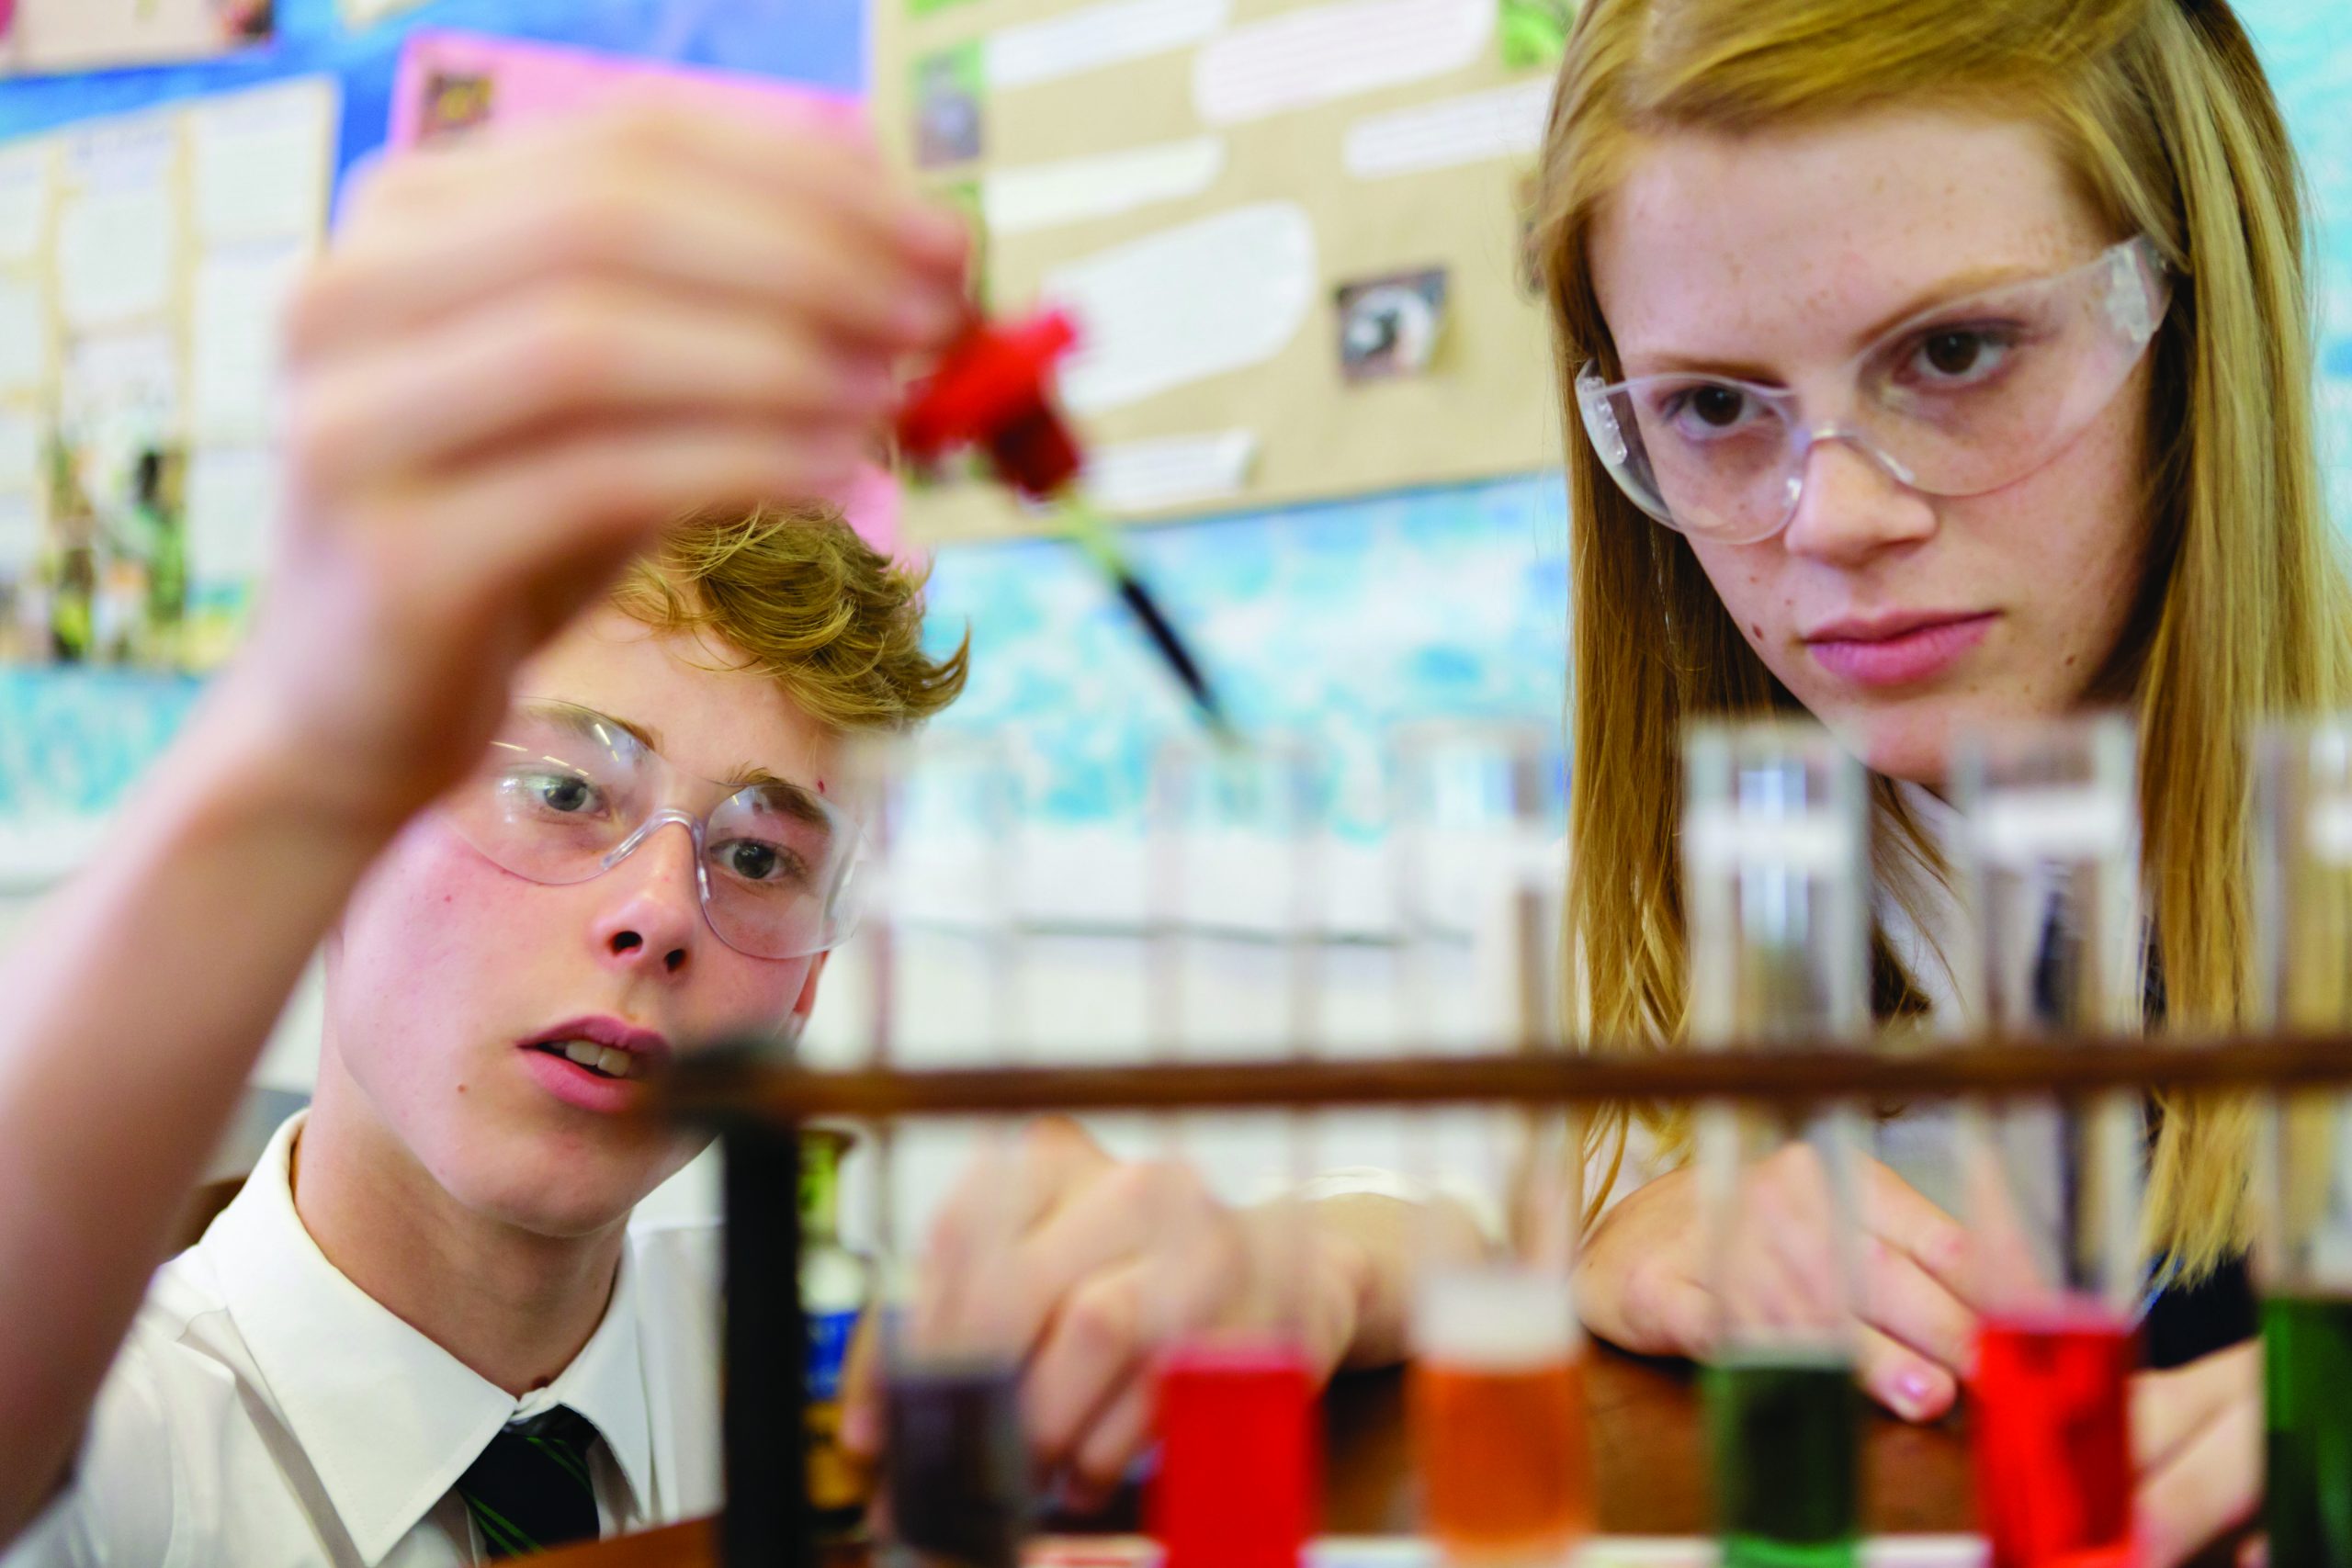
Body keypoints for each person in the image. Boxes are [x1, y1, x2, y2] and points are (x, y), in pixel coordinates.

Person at [861, 0, 2319, 1561]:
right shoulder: (1675, 916)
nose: (1829, 515)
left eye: (1954, 352)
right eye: (1713, 408)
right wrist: (1391, 1266)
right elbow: (1458, 1234)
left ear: (2190, 312)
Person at [0, 98, 972, 1560]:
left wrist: (1309, 1263)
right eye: (568, 789)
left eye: (761, 857)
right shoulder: (114, 1462)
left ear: (812, 985)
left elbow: (1401, 1251)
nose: (659, 916)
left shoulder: (814, 1386)